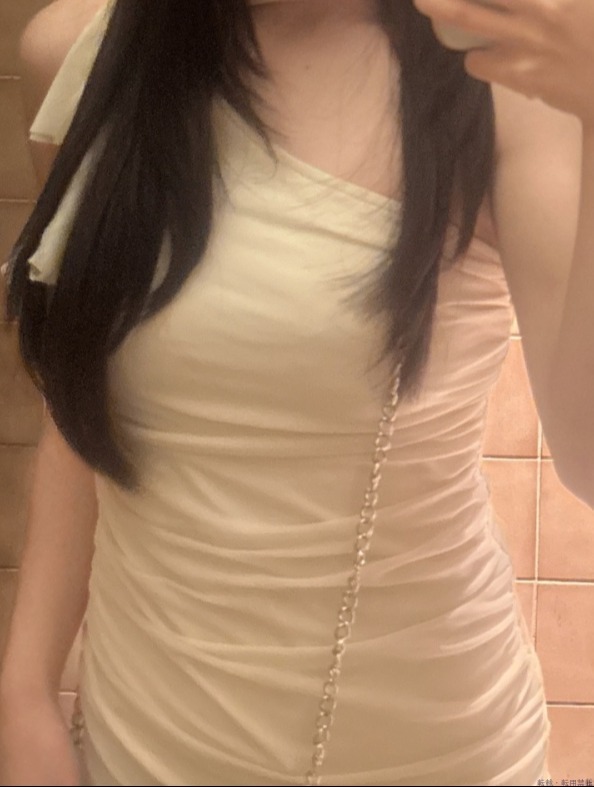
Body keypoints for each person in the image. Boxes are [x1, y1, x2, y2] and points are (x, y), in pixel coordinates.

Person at [0, 0, 592, 784]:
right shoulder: (81, 55)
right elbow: (88, 406)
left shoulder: (503, 72)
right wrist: (25, 687)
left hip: (425, 742)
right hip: (141, 736)